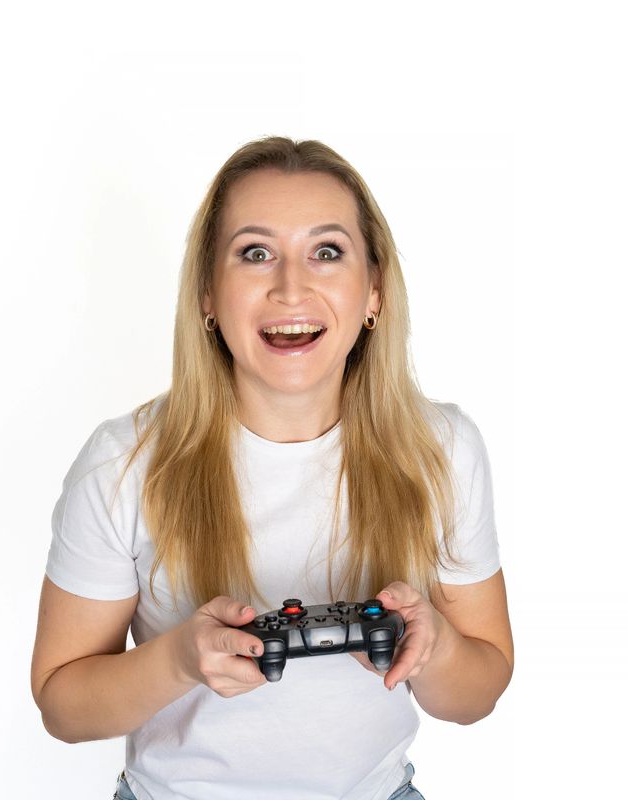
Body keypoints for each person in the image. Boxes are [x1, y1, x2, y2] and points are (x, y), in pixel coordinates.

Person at [31, 136, 514, 800]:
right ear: (207, 293)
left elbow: (478, 694)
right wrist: (177, 660)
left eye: (327, 251)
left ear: (374, 290)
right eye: (255, 253)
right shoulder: (124, 463)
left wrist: (436, 647)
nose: (292, 286)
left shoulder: (442, 449)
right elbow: (62, 706)